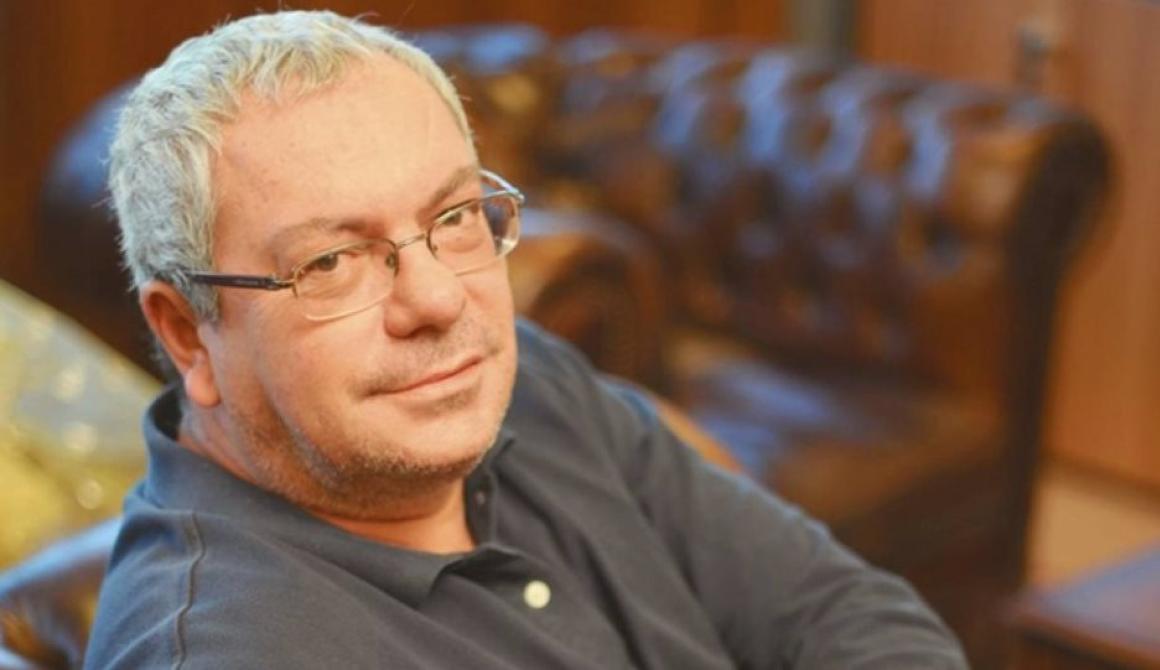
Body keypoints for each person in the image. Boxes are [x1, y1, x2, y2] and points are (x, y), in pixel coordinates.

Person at [84, 10, 968, 669]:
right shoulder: (227, 649)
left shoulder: (516, 381)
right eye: (332, 262)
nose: (438, 300)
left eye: (455, 216)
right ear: (188, 334)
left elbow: (840, 611)